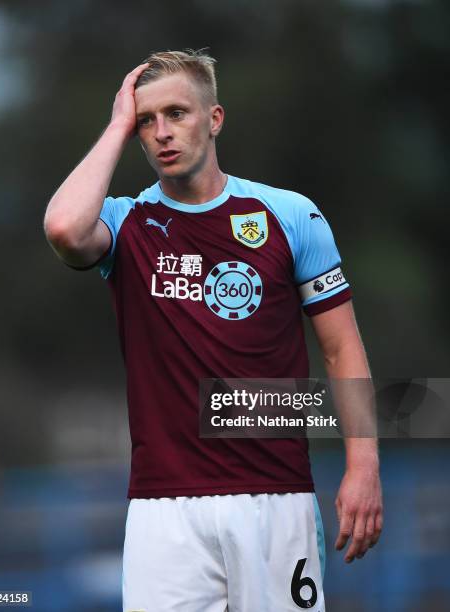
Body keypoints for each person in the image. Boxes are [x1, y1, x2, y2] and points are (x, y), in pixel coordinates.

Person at [44, 49, 382, 612]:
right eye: (147, 122)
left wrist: (363, 465)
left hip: (275, 499)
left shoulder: (289, 216)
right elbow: (62, 227)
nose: (162, 133)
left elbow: (342, 347)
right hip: (163, 509)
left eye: (177, 113)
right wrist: (115, 125)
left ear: (215, 118)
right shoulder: (126, 223)